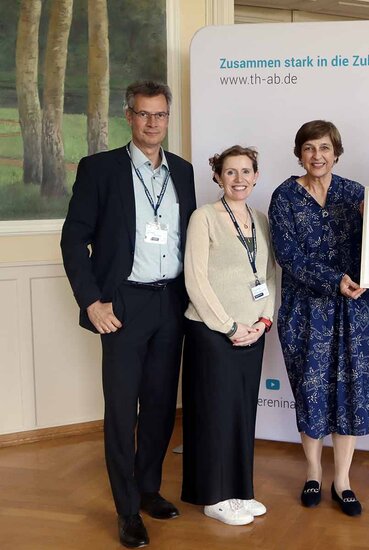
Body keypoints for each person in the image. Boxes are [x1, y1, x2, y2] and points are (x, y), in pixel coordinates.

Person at [60, 80, 196, 548]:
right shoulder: (100, 169)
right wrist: (91, 301)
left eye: (160, 114)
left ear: (167, 118)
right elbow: (73, 239)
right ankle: (126, 509)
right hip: (122, 305)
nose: (152, 122)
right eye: (143, 114)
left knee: (160, 404)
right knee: (122, 409)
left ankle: (148, 489)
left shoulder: (183, 171)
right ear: (129, 116)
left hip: (171, 302)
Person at [268, 120, 369, 517]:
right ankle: (314, 472)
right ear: (299, 154)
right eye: (309, 148)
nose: (317, 155)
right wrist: (334, 280)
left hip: (356, 308)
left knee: (351, 388)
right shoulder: (285, 196)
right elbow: (287, 255)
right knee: (311, 389)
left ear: (336, 152)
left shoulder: (357, 194)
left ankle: (343, 480)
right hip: (306, 311)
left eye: (324, 147)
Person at [180, 145, 276, 525]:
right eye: (230, 172)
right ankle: (214, 496)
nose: (239, 179)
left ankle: (239, 491)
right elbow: (196, 279)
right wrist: (230, 326)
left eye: (246, 171)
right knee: (214, 414)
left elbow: (269, 276)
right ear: (218, 177)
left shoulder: (261, 219)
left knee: (241, 415)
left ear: (256, 176)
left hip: (253, 333)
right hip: (212, 332)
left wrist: (263, 322)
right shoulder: (204, 218)